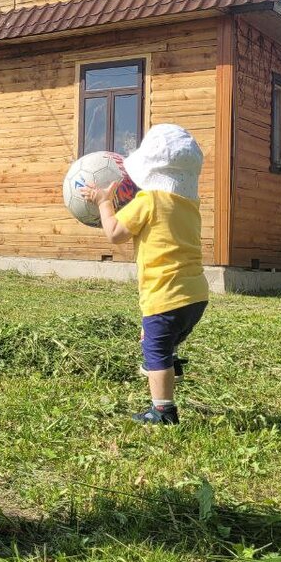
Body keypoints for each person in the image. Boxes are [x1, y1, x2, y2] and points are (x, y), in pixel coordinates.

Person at [82, 124, 208, 425]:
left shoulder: (147, 202)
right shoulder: (190, 204)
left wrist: (103, 203)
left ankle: (163, 411)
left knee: (155, 353)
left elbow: (114, 233)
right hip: (196, 296)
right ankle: (172, 362)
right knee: (161, 336)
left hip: (165, 293)